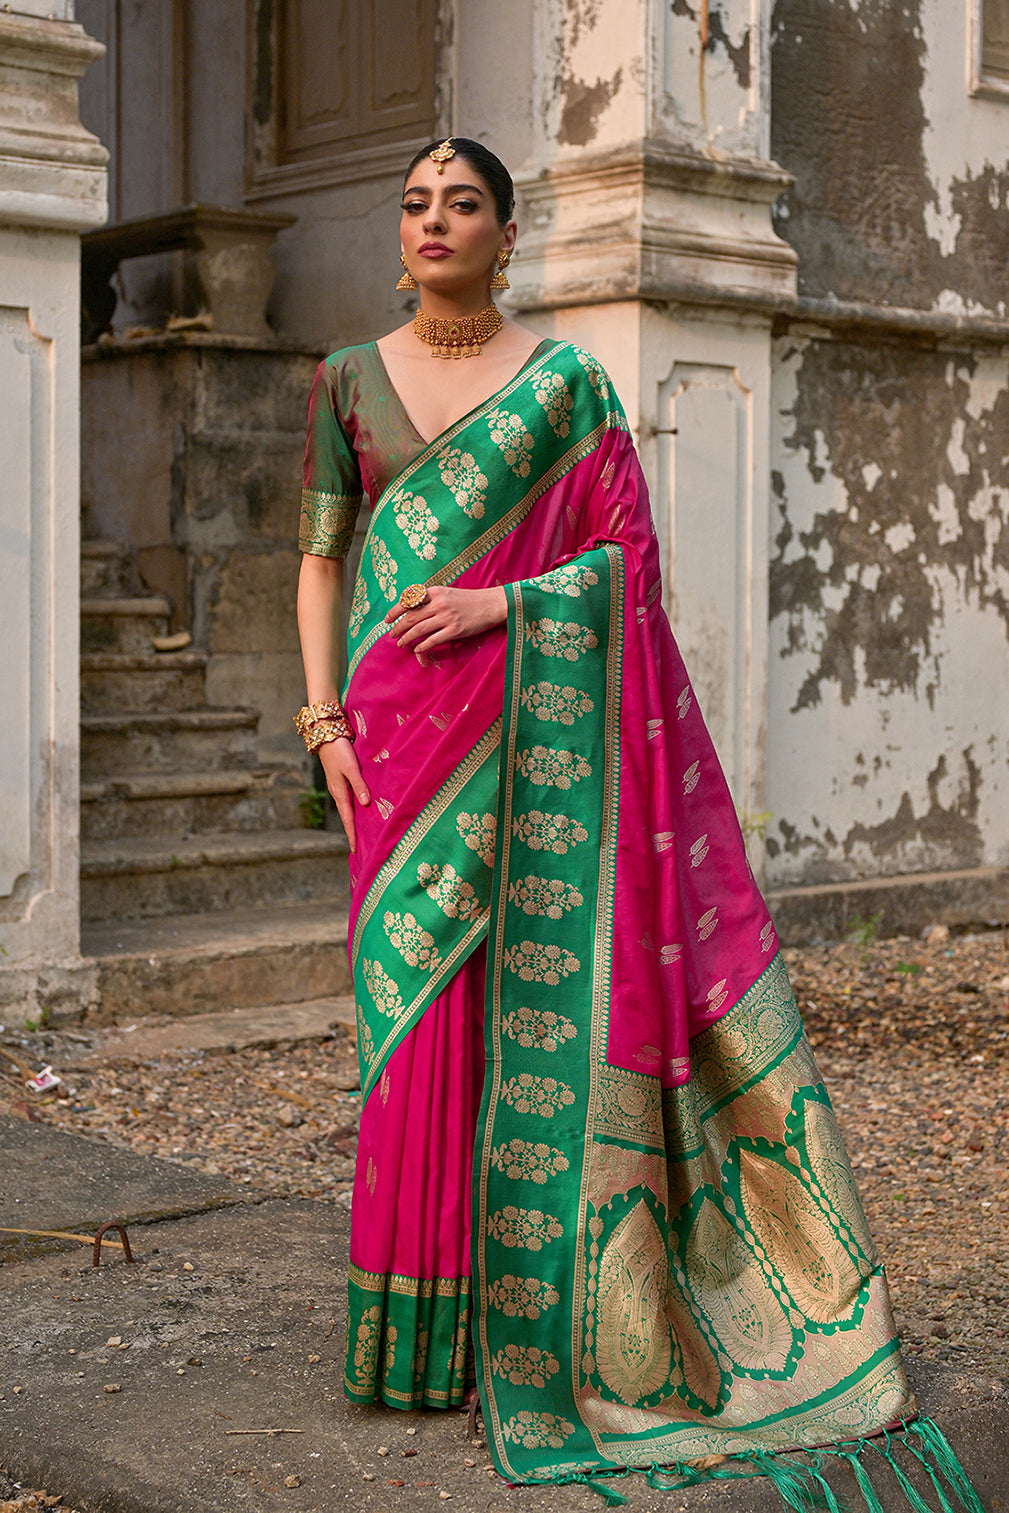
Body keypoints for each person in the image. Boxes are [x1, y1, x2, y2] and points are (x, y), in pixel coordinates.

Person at [294, 138, 980, 1509]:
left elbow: (628, 564)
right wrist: (319, 721)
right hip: (390, 740)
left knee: (514, 1015)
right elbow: (319, 559)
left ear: (506, 229)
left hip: (529, 727)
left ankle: (533, 1329)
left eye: (463, 204)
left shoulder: (565, 388)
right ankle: (411, 1338)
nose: (436, 221)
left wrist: (507, 605)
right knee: (410, 1018)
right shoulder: (346, 381)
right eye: (417, 204)